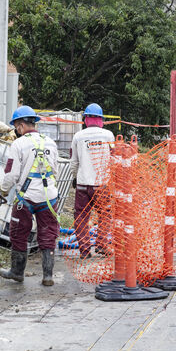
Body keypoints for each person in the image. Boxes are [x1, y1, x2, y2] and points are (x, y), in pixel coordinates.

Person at [0, 106, 60, 286]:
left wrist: (3, 190)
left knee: (18, 234)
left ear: (19, 125)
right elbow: (55, 169)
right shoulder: (50, 142)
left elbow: (11, 174)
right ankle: (47, 276)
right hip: (49, 197)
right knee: (48, 234)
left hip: (25, 198)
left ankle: (17, 272)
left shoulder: (18, 144)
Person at [70, 103, 115, 259]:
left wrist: (75, 177)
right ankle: (102, 245)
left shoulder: (78, 136)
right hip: (102, 184)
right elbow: (114, 158)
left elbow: (74, 162)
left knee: (81, 217)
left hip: (83, 184)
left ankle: (84, 250)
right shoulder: (108, 135)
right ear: (101, 119)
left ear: (86, 119)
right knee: (105, 215)